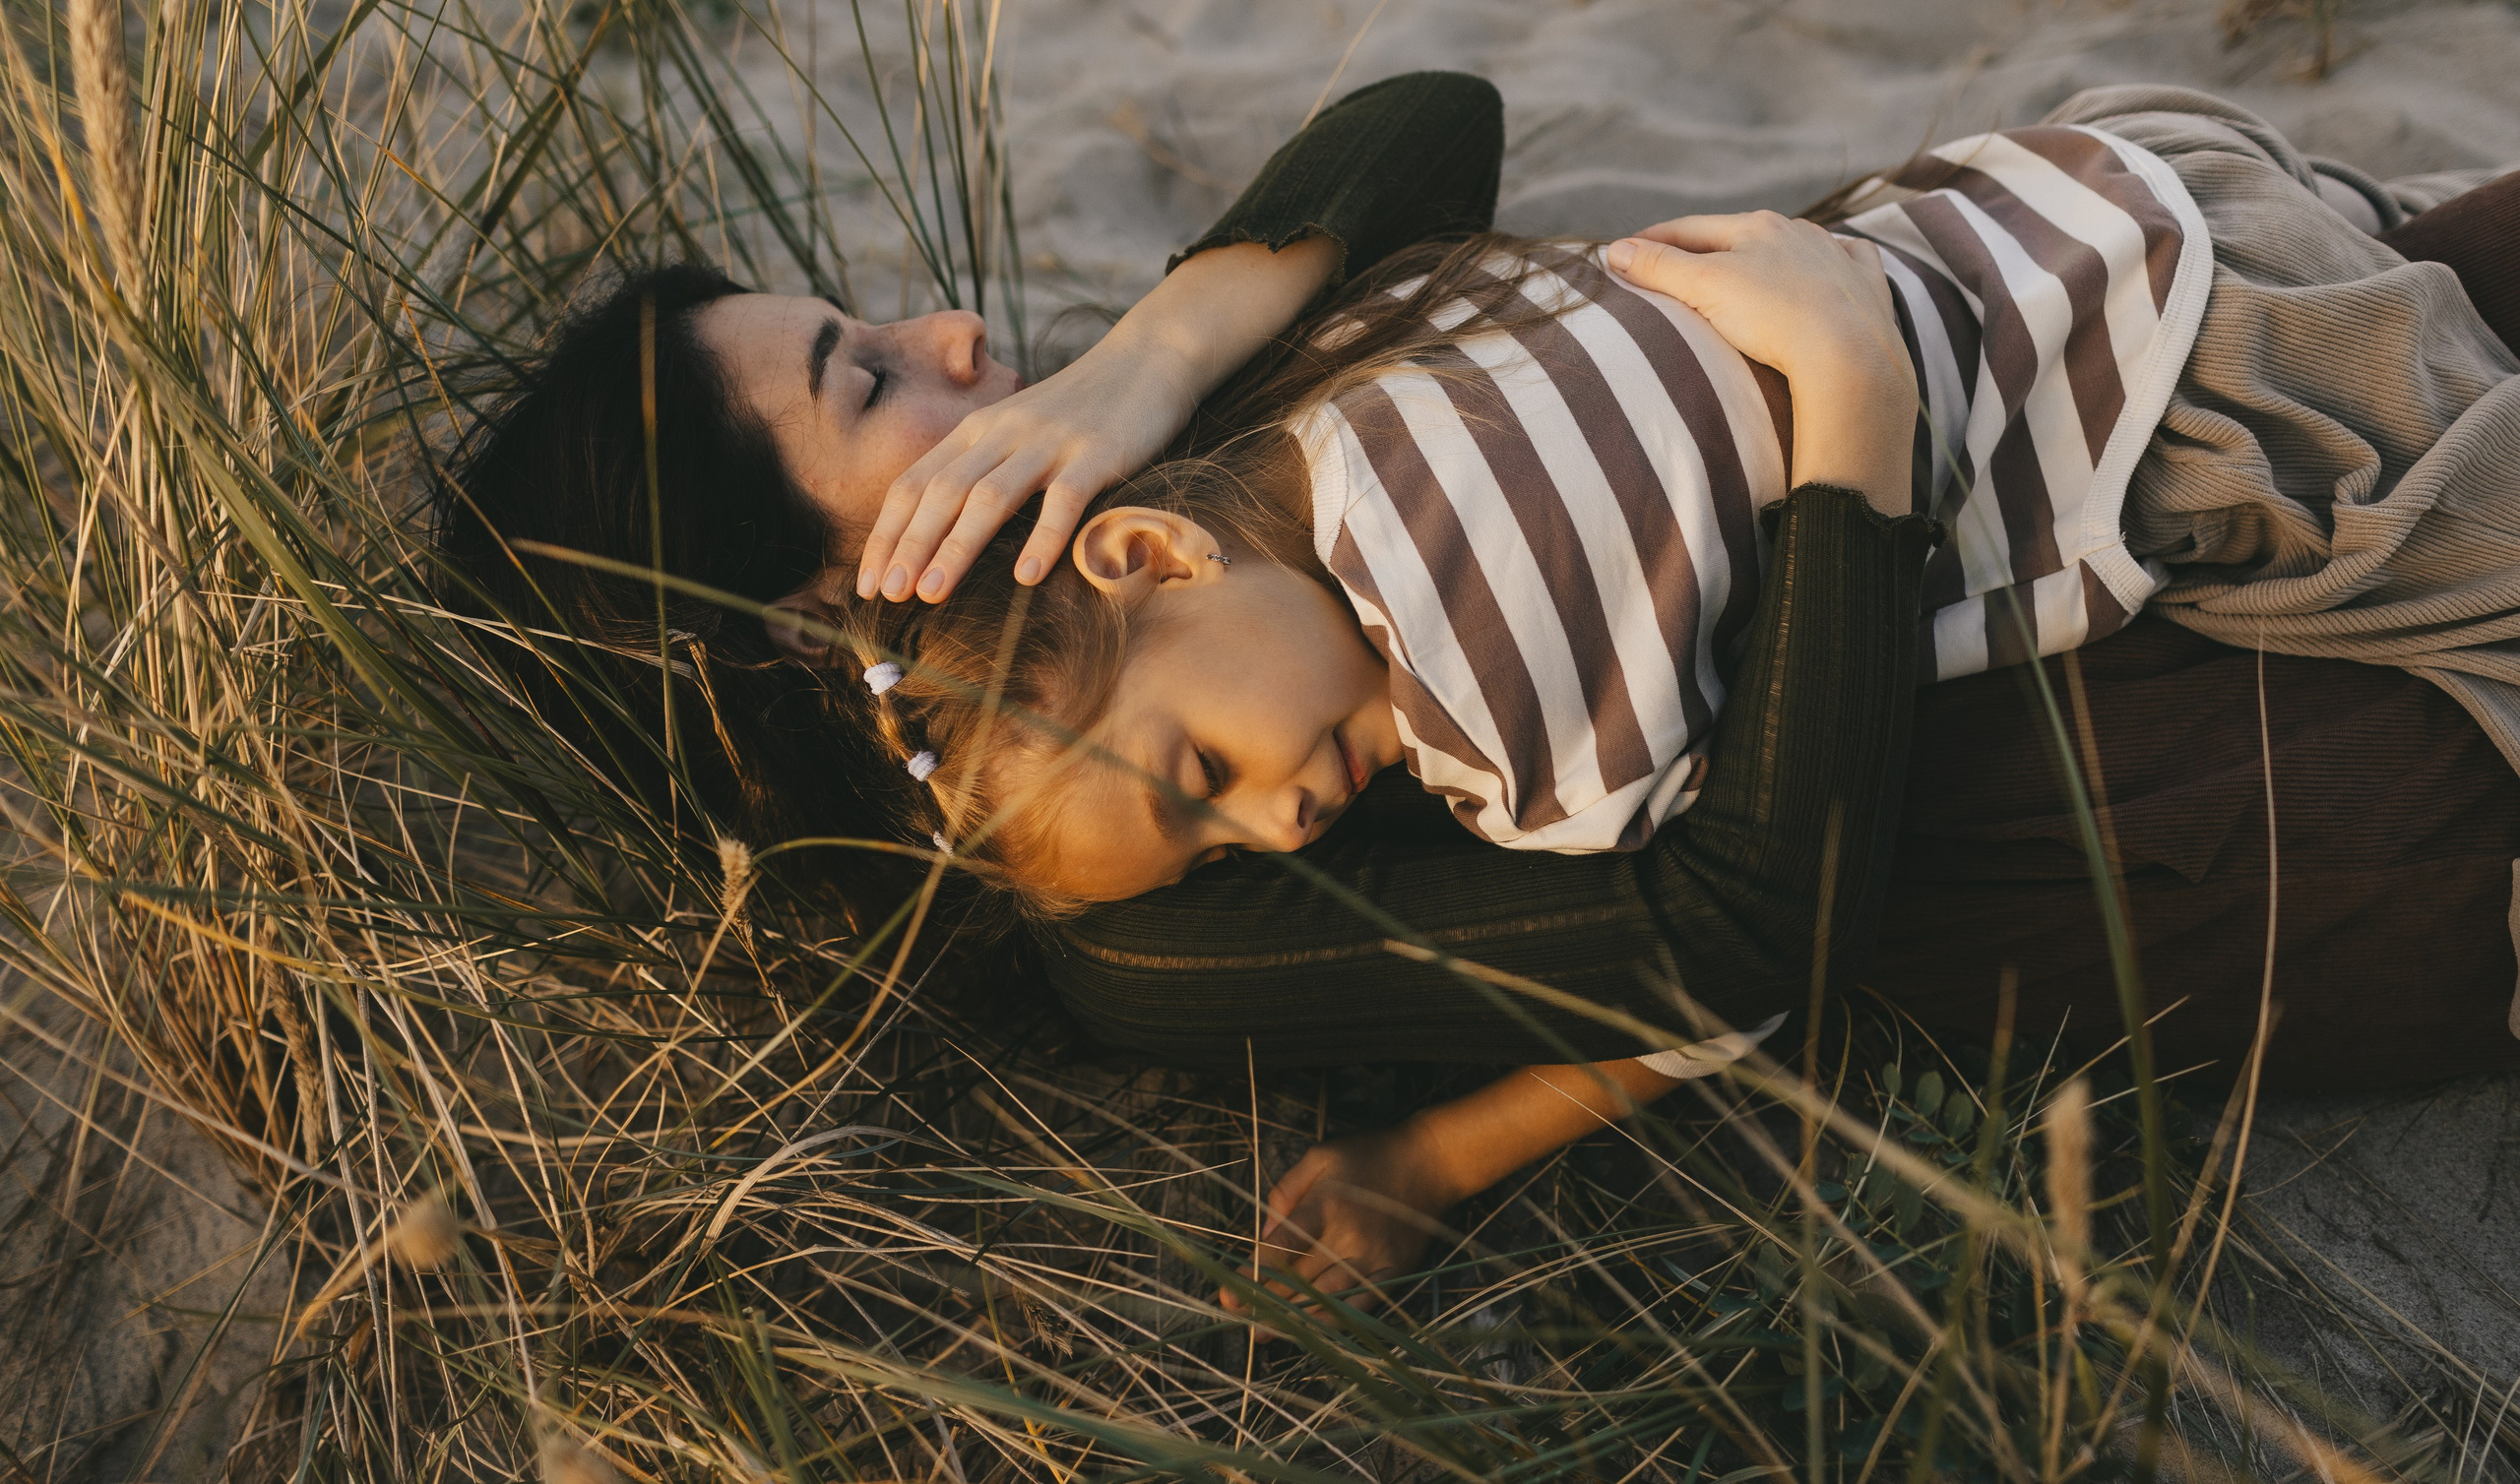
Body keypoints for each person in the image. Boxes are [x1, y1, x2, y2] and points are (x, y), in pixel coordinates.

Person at [438, 73, 2520, 1317]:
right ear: (807, 619)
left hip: (2048, 411)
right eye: (863, 382)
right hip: (2108, 763)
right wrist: (1850, 396)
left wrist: (1150, 357)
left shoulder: (1117, 542)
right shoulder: (1124, 895)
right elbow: (1736, 923)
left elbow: (1425, 117)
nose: (961, 336)